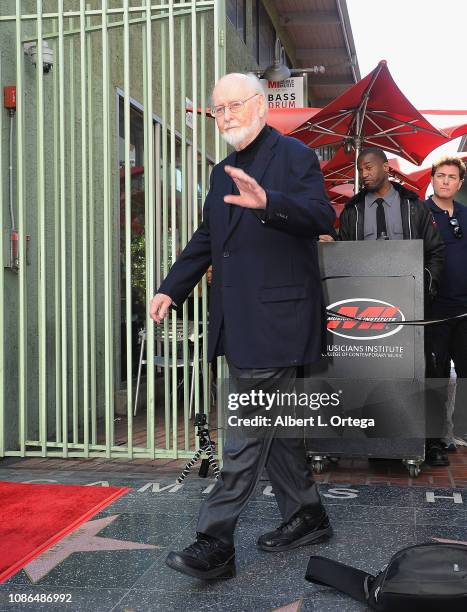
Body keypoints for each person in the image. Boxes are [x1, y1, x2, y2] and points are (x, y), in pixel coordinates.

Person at [149, 72, 336, 579]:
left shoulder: (293, 156)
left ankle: (214, 542)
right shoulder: (220, 171)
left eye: (233, 105)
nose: (225, 115)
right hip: (240, 321)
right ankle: (308, 513)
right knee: (272, 428)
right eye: (218, 109)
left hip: (279, 319)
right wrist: (172, 286)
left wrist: (270, 203)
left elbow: (322, 215)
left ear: (260, 106)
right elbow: (208, 235)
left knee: (247, 430)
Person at [424, 156, 466, 464]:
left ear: (460, 183)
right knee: (435, 376)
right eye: (441, 176)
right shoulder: (421, 213)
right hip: (435, 309)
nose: (447, 181)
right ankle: (434, 441)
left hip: (465, 310)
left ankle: (460, 432)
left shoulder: (466, 214)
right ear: (433, 178)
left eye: (453, 177)